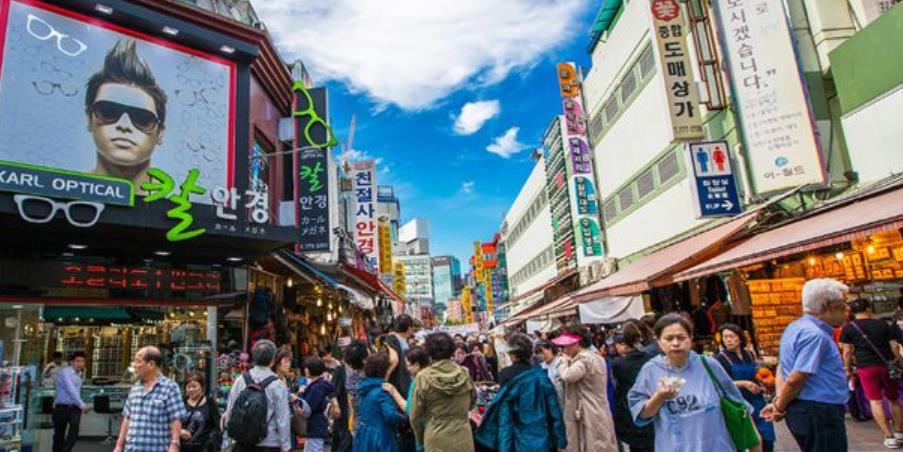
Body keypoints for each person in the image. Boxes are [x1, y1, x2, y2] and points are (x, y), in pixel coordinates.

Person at [628, 314, 752, 452]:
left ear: (691, 338)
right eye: (668, 338)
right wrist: (659, 397)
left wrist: (754, 443)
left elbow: (739, 405)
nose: (675, 343)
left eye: (681, 337)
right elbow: (641, 415)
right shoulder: (650, 371)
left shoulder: (708, 364)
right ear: (659, 342)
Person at [761, 278, 850, 452]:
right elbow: (796, 377)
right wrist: (779, 407)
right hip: (818, 411)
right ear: (827, 305)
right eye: (842, 304)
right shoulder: (815, 335)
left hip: (808, 409)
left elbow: (782, 367)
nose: (846, 309)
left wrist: (779, 400)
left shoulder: (796, 327)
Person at [85, 39, 167, 191]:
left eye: (142, 119)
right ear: (89, 118)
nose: (124, 125)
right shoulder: (65, 189)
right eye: (108, 112)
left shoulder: (174, 204)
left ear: (160, 132)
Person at [474, 333, 566, 452]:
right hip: (542, 436)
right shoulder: (541, 375)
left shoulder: (505, 374)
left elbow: (504, 416)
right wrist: (560, 439)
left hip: (517, 438)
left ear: (512, 354)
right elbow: (554, 409)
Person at [840, 298, 903, 448]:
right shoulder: (884, 324)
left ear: (852, 312)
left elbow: (847, 351)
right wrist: (900, 362)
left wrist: (847, 368)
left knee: (875, 401)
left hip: (865, 368)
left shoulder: (849, 328)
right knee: (893, 399)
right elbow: (894, 346)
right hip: (887, 365)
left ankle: (888, 436)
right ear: (868, 309)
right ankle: (900, 433)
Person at [554, 326, 618, 452]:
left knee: (592, 444)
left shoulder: (583, 359)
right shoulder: (597, 357)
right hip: (597, 408)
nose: (564, 350)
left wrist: (562, 362)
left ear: (576, 343)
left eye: (566, 346)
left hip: (588, 411)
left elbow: (568, 376)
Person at [409, 332, 476, 452]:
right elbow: (472, 404)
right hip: (462, 437)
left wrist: (420, 439)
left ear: (429, 353)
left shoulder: (423, 377)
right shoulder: (464, 374)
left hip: (435, 437)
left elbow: (415, 416)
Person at [715, 323, 775, 452]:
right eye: (725, 337)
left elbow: (756, 374)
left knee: (767, 433)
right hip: (737, 401)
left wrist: (764, 380)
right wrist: (744, 383)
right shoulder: (721, 358)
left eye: (731, 336)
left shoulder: (749, 354)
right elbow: (720, 384)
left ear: (740, 338)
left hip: (757, 398)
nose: (728, 340)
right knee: (749, 438)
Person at [113, 346, 186, 452]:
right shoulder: (135, 388)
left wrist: (175, 444)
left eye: (138, 361)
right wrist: (119, 446)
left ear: (151, 364)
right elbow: (127, 419)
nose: (135, 365)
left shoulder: (169, 387)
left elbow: (176, 419)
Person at [224, 339, 291, 452]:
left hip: (242, 441)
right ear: (273, 360)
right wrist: (286, 446)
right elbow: (282, 419)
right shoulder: (277, 385)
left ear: (254, 358)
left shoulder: (241, 380)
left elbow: (230, 409)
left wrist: (231, 436)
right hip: (269, 442)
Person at [610, 323, 654, 452]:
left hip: (630, 412)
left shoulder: (619, 364)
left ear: (623, 344)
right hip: (650, 408)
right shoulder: (649, 358)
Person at [352, 352, 408, 452]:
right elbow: (390, 415)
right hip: (381, 437)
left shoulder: (363, 388)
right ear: (386, 370)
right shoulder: (383, 391)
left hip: (364, 435)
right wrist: (405, 418)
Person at [52, 351, 88, 452]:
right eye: (78, 361)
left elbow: (78, 390)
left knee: (74, 431)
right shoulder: (65, 373)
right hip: (61, 407)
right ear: (71, 362)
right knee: (59, 435)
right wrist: (82, 404)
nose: (80, 364)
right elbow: (71, 389)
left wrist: (79, 404)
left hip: (75, 408)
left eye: (82, 361)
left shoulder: (81, 373)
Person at [301, 357, 336, 452]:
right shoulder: (321, 384)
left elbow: (307, 408)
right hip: (317, 425)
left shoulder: (315, 388)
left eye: (307, 368)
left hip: (314, 426)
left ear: (311, 369)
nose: (305, 370)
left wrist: (299, 397)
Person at [180, 373, 221, 452]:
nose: (191, 389)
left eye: (194, 386)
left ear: (202, 387)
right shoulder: (181, 402)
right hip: (183, 448)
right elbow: (171, 423)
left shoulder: (210, 403)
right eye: (188, 387)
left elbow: (218, 427)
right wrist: (180, 431)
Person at [535, 341, 564, 405]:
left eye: (543, 352)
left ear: (550, 349)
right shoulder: (541, 366)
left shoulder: (561, 361)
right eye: (539, 354)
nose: (542, 356)